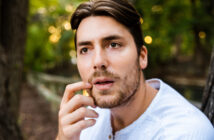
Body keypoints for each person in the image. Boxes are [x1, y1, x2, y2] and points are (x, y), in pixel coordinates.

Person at [56, 0, 214, 139]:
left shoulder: (184, 133)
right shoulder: (85, 119)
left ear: (142, 56)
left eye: (113, 45)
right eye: (85, 50)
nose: (98, 61)